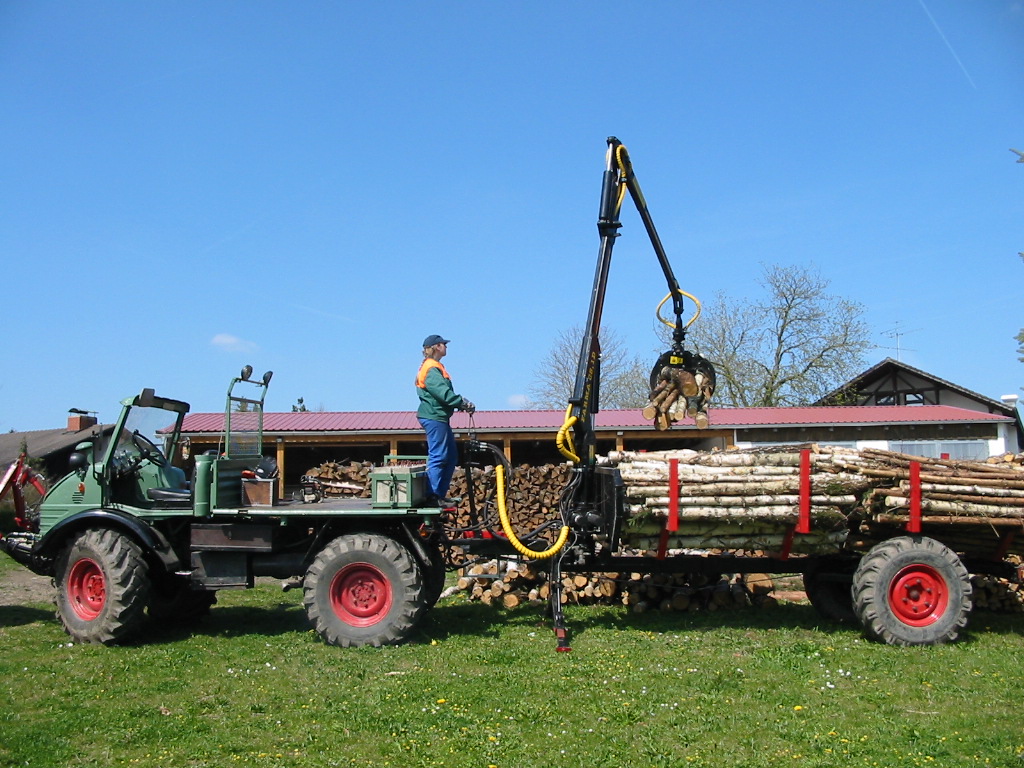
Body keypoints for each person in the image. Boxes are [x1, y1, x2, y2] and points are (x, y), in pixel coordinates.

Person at [415, 334, 475, 506]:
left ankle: (438, 495)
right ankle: (432, 496)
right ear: (436, 347)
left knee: (450, 456)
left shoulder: (435, 366)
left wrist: (459, 403)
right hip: (433, 417)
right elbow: (443, 393)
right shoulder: (431, 368)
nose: (446, 347)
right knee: (439, 456)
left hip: (438, 417)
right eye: (443, 344)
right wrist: (461, 402)